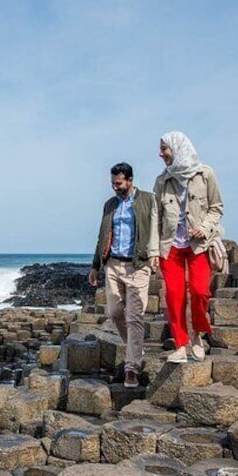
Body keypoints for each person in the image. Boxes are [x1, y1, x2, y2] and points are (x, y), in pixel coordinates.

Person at [154, 131, 224, 364]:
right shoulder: (162, 181)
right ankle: (181, 345)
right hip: (170, 245)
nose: (160, 153)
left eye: (164, 148)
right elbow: (156, 217)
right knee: (174, 296)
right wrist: (153, 251)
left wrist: (204, 227)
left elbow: (217, 207)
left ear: (177, 147)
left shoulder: (206, 174)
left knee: (200, 291)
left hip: (199, 245)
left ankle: (197, 335)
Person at [88, 162, 159, 388]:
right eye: (112, 184)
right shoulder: (110, 205)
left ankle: (132, 368)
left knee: (134, 317)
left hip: (138, 266)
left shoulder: (148, 200)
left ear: (129, 180)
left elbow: (158, 229)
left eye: (118, 184)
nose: (115, 188)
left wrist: (157, 255)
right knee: (115, 312)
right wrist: (95, 265)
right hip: (113, 265)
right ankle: (135, 347)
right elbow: (102, 236)